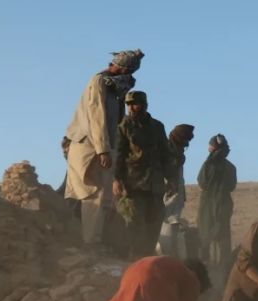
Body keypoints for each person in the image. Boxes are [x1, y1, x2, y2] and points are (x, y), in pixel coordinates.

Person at [63, 49, 144, 253]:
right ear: (122, 68)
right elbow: (97, 117)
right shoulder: (99, 81)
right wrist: (103, 151)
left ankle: (93, 239)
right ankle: (91, 243)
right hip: (91, 146)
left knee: (105, 197)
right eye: (129, 71)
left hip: (104, 145)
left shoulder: (114, 85)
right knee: (94, 194)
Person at [113, 91, 176, 258]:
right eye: (129, 104)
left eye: (135, 103)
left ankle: (147, 258)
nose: (132, 108)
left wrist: (171, 179)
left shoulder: (157, 126)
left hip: (155, 184)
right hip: (133, 183)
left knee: (154, 223)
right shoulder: (124, 126)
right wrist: (117, 179)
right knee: (134, 223)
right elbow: (119, 154)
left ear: (144, 105)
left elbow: (165, 154)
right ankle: (135, 259)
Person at [197, 133, 238, 267]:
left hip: (208, 202)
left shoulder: (208, 164)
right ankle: (225, 265)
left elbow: (201, 182)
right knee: (223, 232)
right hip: (225, 202)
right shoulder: (231, 167)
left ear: (213, 148)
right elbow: (232, 186)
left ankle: (205, 262)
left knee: (205, 231)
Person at [163, 124, 195, 219]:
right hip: (168, 194)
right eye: (185, 140)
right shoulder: (166, 150)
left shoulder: (178, 152)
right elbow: (167, 172)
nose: (187, 143)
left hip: (176, 195)